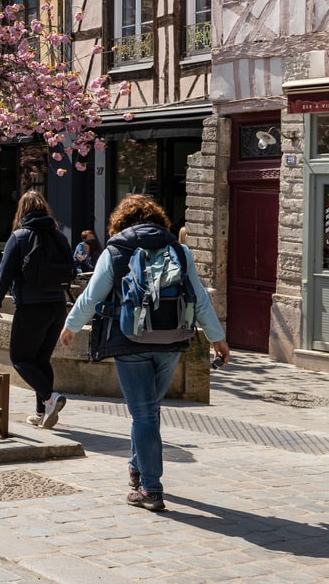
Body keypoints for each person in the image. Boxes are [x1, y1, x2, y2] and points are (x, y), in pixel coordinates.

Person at [60, 194, 230, 513]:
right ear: (159, 221)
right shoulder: (180, 250)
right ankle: (137, 468)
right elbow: (199, 297)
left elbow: (92, 297)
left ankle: (150, 489)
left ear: (120, 223)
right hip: (172, 339)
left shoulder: (115, 251)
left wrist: (70, 325)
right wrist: (217, 337)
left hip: (130, 341)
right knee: (149, 410)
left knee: (143, 413)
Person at [0, 191, 73, 430]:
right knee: (40, 359)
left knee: (20, 358)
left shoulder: (19, 237)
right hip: (58, 306)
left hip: (31, 307)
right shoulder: (59, 236)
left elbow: (3, 274)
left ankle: (50, 397)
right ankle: (41, 413)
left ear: (22, 211)